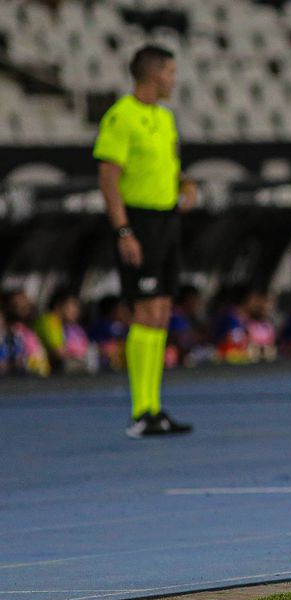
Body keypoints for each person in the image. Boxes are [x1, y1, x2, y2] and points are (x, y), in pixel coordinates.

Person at [94, 44, 194, 438]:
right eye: (170, 72)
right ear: (153, 75)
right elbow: (108, 178)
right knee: (144, 309)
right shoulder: (122, 116)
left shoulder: (164, 117)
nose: (173, 79)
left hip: (167, 218)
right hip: (139, 220)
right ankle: (140, 410)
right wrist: (123, 230)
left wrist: (185, 183)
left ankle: (154, 406)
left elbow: (167, 163)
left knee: (162, 310)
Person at [34, 288, 94, 373]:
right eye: (73, 305)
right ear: (59, 305)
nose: (77, 310)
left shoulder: (66, 326)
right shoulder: (50, 321)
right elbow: (58, 353)